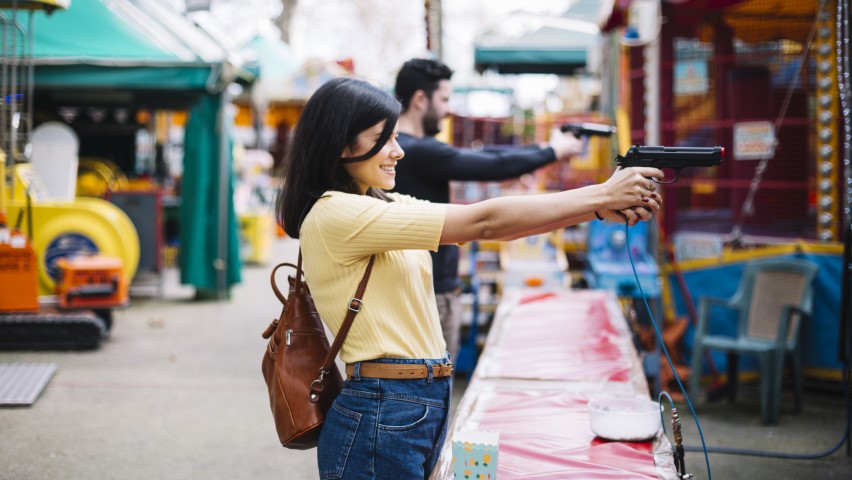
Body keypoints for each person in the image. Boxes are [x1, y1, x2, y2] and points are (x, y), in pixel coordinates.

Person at [275, 76, 662, 479]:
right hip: (382, 409)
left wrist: (596, 211)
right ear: (341, 144)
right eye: (383, 138)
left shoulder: (379, 203)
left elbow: (495, 222)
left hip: (412, 404)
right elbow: (485, 222)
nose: (398, 151)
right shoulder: (336, 213)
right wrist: (602, 194)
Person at [393, 58, 586, 362]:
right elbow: (492, 165)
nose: (447, 109)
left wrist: (545, 149)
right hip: (428, 293)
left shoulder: (406, 148)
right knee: (432, 388)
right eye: (443, 99)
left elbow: (486, 155)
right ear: (420, 99)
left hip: (423, 289)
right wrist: (551, 152)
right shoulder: (414, 150)